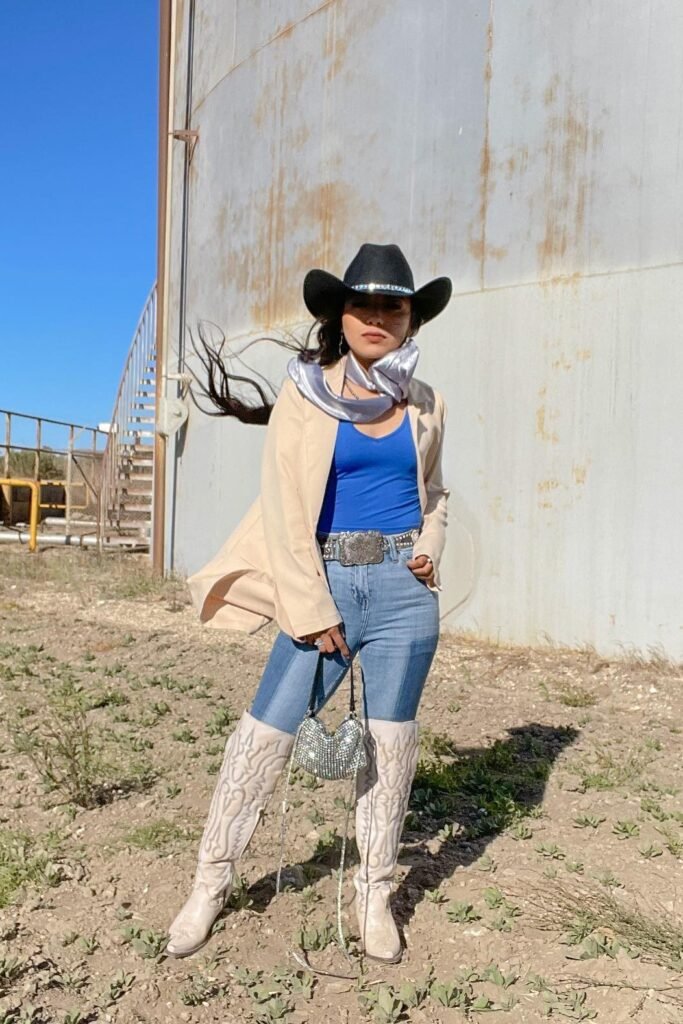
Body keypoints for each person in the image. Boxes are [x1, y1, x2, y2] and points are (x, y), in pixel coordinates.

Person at [166, 243, 452, 964]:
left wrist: (430, 546)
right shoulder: (307, 391)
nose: (378, 317)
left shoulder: (424, 400)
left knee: (390, 747)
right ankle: (209, 884)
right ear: (340, 314)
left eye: (394, 305)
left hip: (401, 593)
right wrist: (310, 604)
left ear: (411, 317)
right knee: (264, 735)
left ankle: (374, 896)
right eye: (365, 304)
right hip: (323, 584)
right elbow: (284, 503)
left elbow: (437, 494)